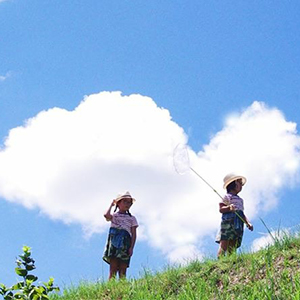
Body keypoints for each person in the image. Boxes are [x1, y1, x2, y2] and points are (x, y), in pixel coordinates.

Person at [216, 173, 253, 258]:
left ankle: (230, 261)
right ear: (233, 184)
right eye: (239, 183)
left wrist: (248, 223)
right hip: (228, 222)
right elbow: (221, 209)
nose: (241, 186)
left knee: (233, 244)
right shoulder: (227, 197)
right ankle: (220, 261)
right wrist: (229, 208)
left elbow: (241, 213)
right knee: (224, 243)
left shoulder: (240, 200)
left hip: (238, 223)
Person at [103, 191, 138, 279]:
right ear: (118, 203)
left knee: (123, 267)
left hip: (125, 242)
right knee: (113, 267)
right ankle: (110, 288)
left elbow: (133, 234)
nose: (127, 204)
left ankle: (122, 287)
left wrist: (131, 248)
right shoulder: (114, 216)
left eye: (129, 202)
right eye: (125, 201)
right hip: (114, 241)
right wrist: (111, 205)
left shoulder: (132, 218)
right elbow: (106, 215)